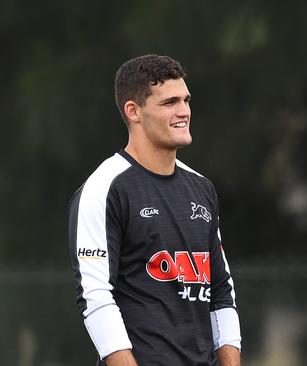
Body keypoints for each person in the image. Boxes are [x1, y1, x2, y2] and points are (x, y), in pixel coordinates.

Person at [68, 54, 241, 366]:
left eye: (186, 100)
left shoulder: (202, 188)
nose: (184, 111)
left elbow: (221, 293)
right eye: (169, 102)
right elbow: (96, 298)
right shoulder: (104, 188)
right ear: (133, 111)